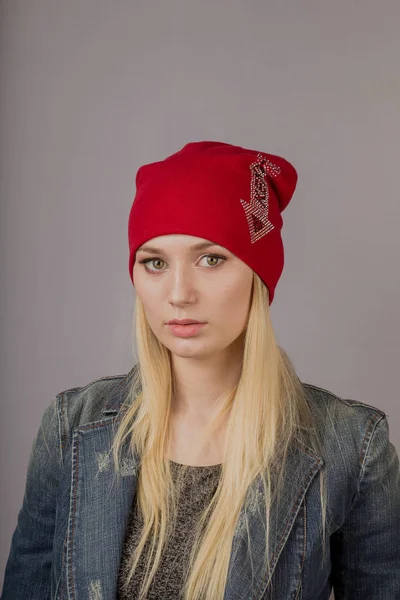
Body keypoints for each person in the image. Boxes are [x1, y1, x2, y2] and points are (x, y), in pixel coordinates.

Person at [1, 141, 399, 600]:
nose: (179, 293)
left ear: (259, 275)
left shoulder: (352, 446)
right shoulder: (70, 427)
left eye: (211, 259)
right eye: (154, 263)